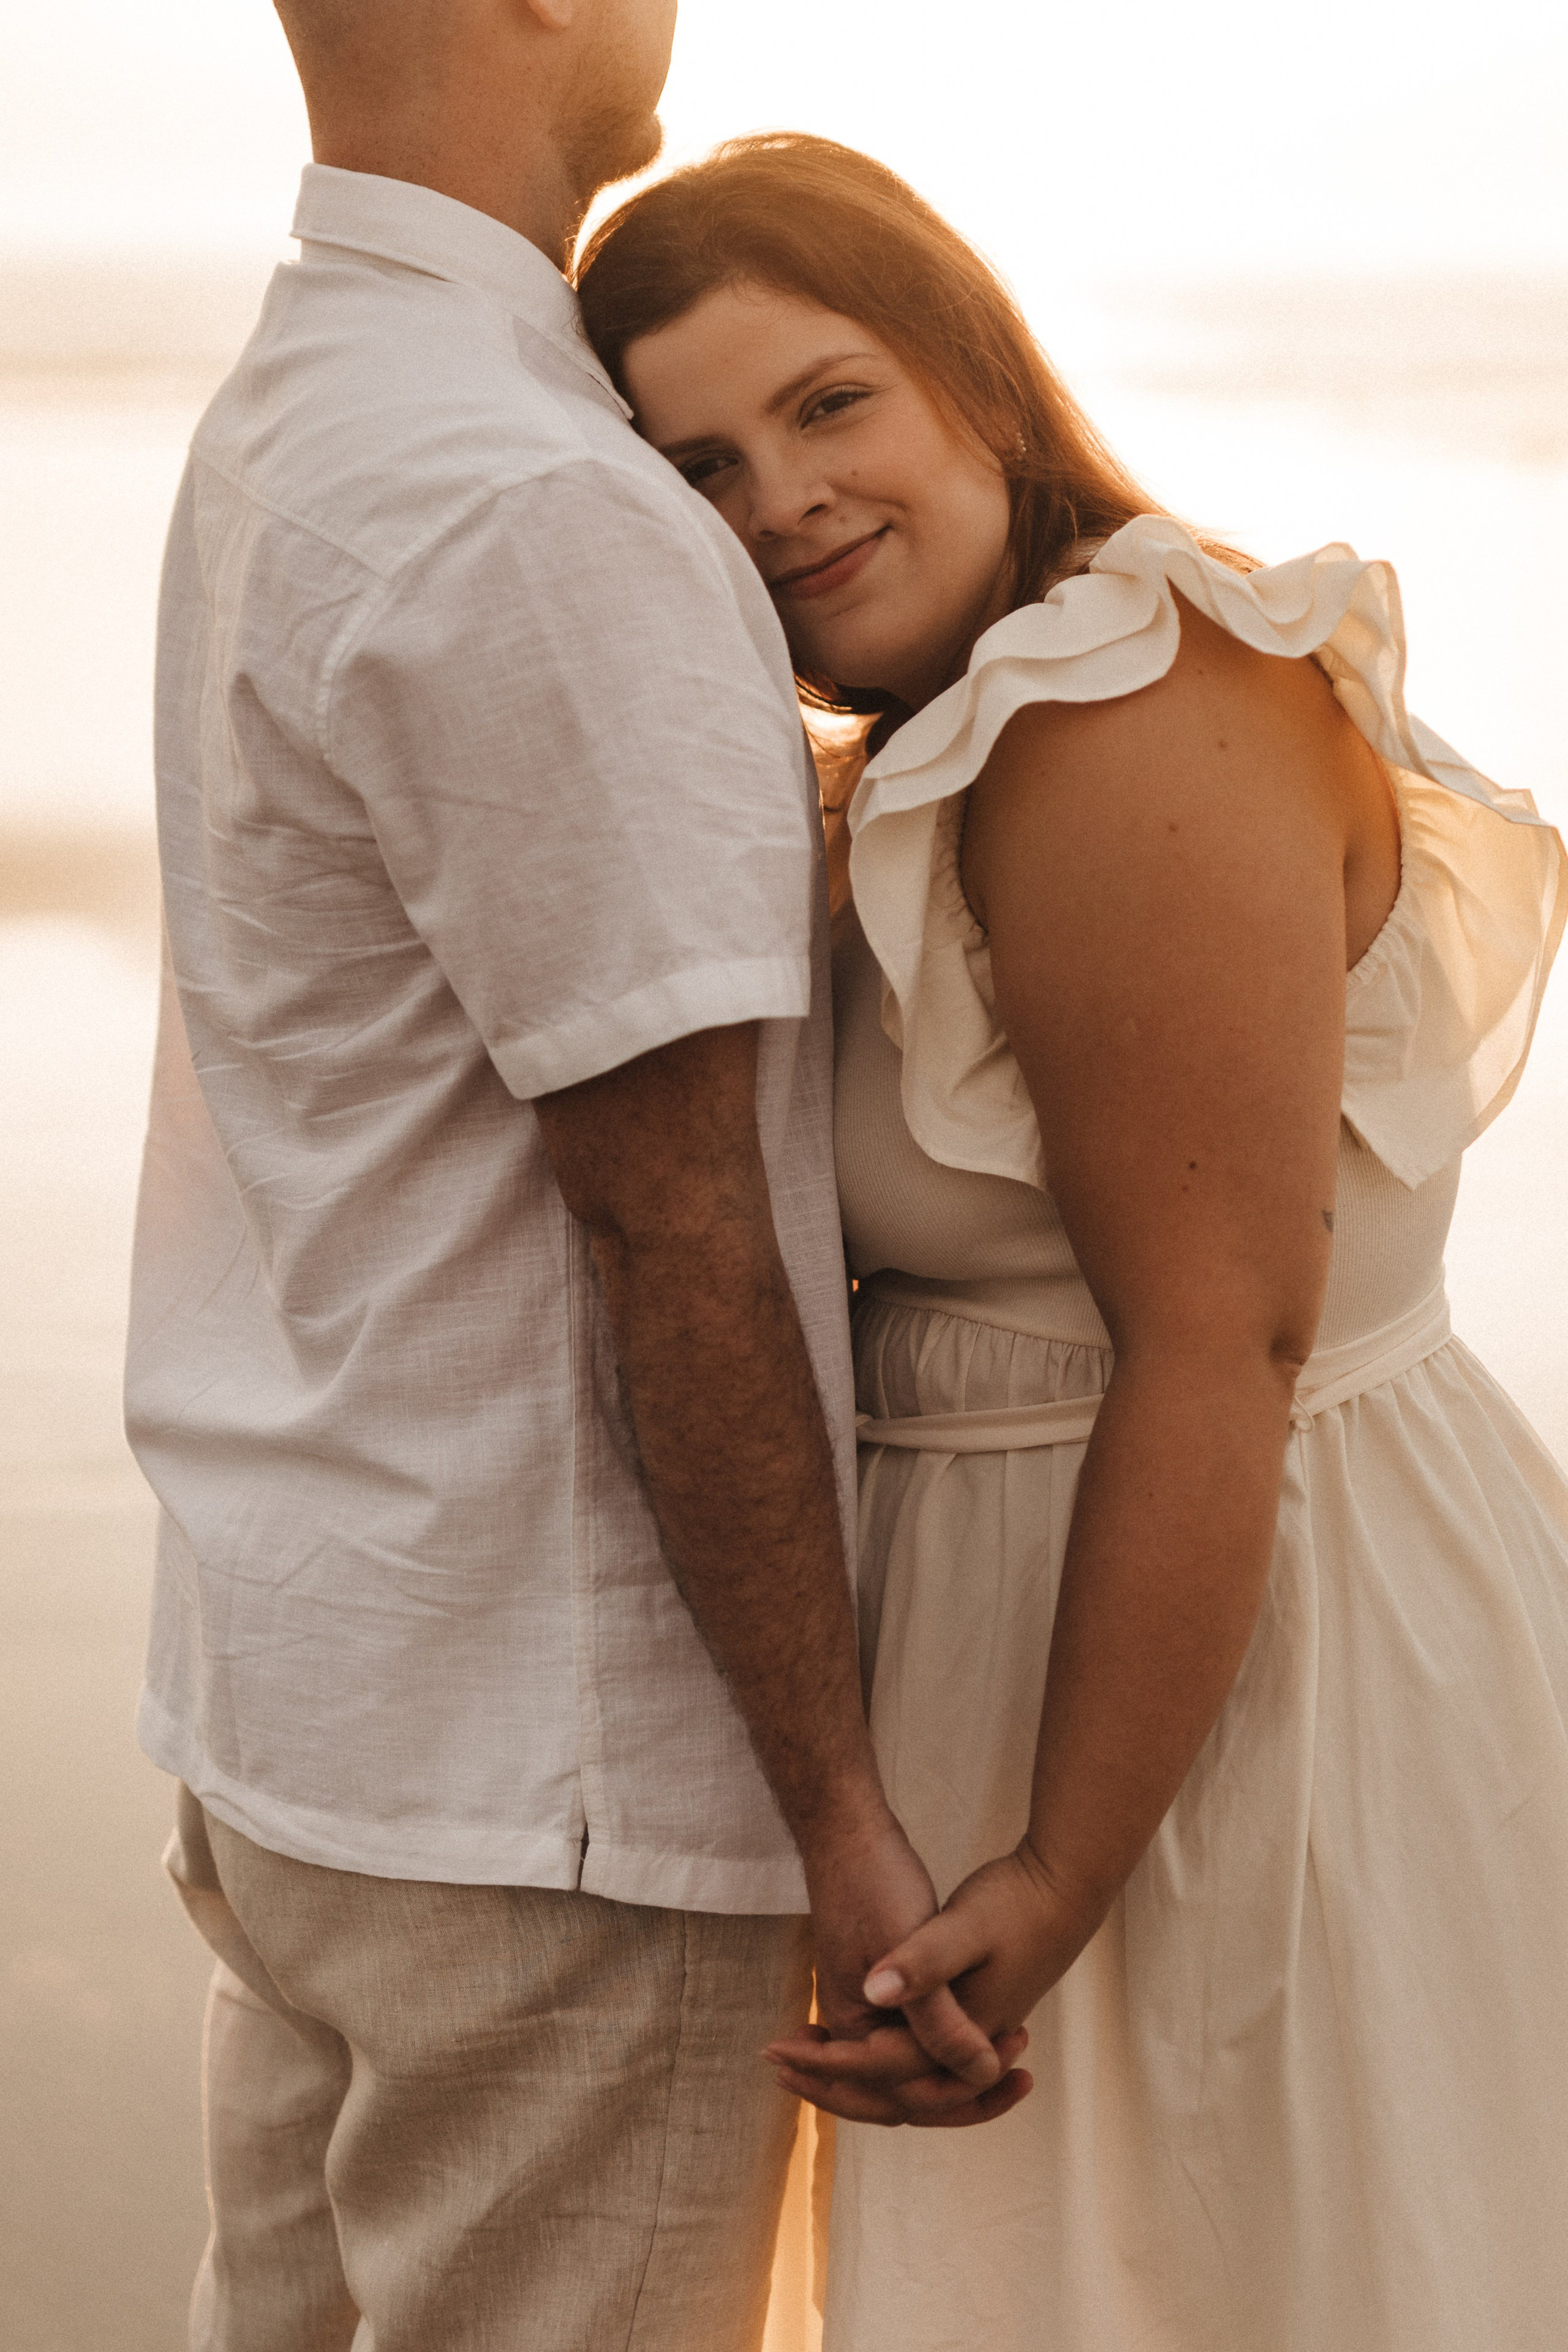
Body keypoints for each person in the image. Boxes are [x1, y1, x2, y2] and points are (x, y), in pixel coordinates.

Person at [576, 132, 1568, 2350]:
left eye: (831, 404)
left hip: (1222, 1695)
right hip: (1059, 1657)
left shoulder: (1127, 701)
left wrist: (1061, 1865)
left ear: (978, 378)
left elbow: (1219, 1342)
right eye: (701, 469)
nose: (783, 502)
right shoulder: (964, 730)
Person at [124, 26, 1022, 2351]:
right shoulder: (532, 498)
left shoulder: (310, 401)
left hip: (318, 1699)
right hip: (556, 1783)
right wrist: (838, 1815)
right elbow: (674, 1222)